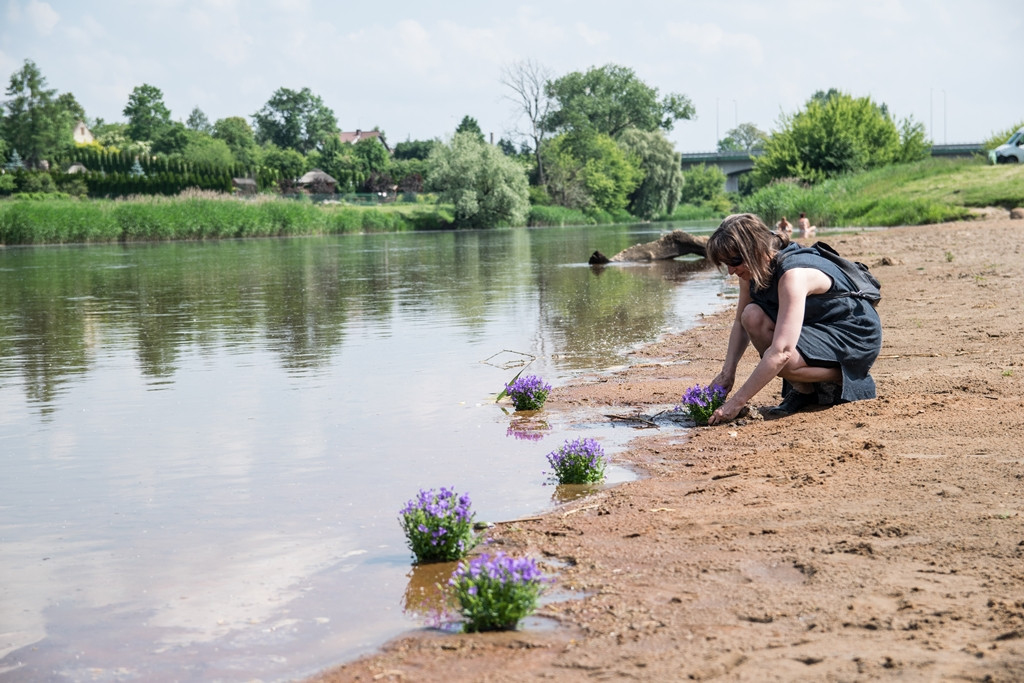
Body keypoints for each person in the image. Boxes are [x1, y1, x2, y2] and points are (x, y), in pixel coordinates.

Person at [704, 213, 882, 425]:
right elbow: (740, 325)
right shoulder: (752, 269)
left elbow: (782, 353)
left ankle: (849, 377)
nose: (732, 271)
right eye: (727, 264)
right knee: (751, 316)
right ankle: (804, 390)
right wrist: (727, 374)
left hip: (853, 330)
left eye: (735, 261)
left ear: (755, 249)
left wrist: (735, 403)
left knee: (783, 362)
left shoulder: (793, 276)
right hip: (819, 324)